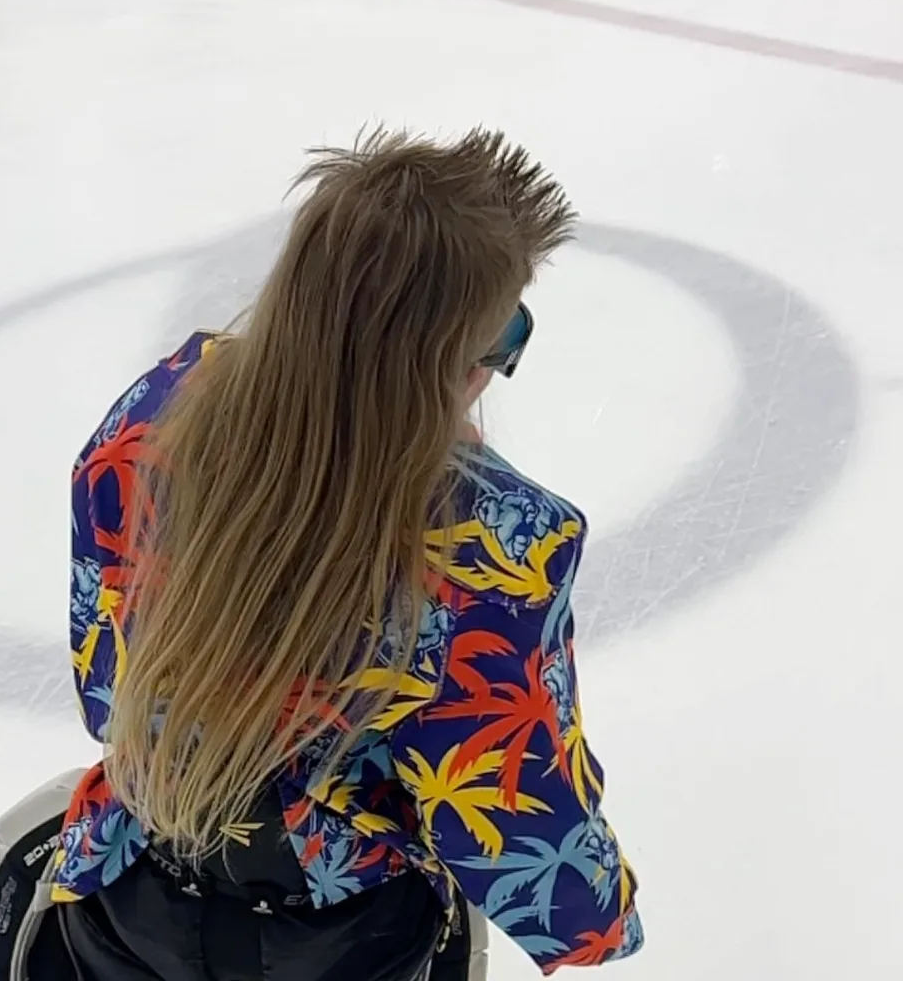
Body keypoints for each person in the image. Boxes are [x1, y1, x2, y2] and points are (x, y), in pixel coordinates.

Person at [42, 127, 642, 980]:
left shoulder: (154, 417)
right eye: (503, 332)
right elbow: (516, 820)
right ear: (456, 364)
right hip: (339, 938)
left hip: (124, 890)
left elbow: (110, 683)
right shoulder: (493, 548)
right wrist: (602, 922)